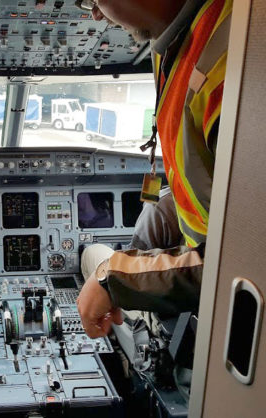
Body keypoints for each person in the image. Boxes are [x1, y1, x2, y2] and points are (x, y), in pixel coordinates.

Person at [77, 0, 231, 338]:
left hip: (215, 314)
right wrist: (169, 207)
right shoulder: (181, 37)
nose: (95, 14)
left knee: (93, 257)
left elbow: (243, 261)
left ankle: (152, 341)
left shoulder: (232, 63)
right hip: (199, 269)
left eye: (93, 0)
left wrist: (112, 279)